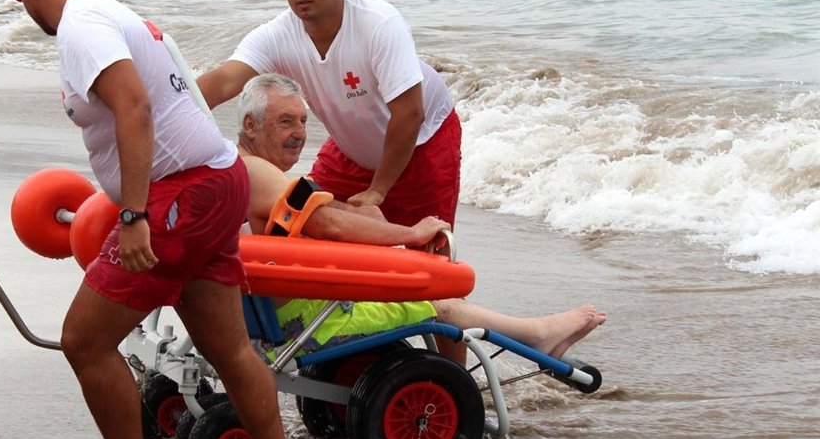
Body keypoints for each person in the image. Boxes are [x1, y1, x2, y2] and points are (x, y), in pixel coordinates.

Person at [9, 0, 304, 439]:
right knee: (229, 348)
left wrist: (134, 214)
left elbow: (135, 106)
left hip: (181, 193)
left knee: (85, 341)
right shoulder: (108, 10)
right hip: (216, 177)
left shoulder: (79, 24)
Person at [236, 73, 606, 357]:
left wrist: (372, 221)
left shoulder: (237, 166)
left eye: (303, 121)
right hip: (302, 327)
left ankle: (533, 334)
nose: (299, 133)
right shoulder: (258, 173)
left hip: (273, 318)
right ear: (250, 125)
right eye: (286, 122)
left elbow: (320, 214)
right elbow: (326, 223)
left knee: (376, 225)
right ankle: (538, 335)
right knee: (438, 303)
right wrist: (409, 234)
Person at [198, 0, 461, 230]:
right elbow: (224, 81)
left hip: (421, 144)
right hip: (349, 149)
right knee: (294, 218)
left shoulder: (379, 23)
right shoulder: (277, 35)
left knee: (426, 242)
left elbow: (410, 113)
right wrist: (167, 117)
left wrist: (378, 190)